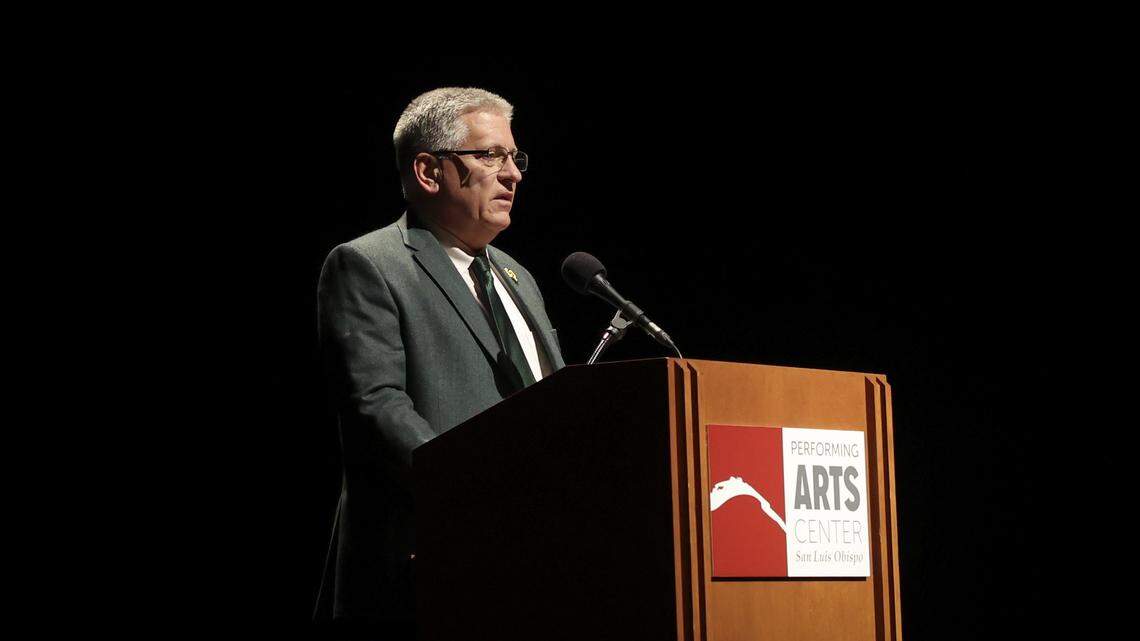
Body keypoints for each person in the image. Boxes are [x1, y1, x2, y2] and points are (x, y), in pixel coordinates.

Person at [313, 87, 566, 634]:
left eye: (514, 157)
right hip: (427, 562)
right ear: (429, 171)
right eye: (490, 155)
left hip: (533, 562)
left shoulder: (519, 279)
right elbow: (376, 408)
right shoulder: (368, 265)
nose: (513, 175)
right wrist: (474, 492)